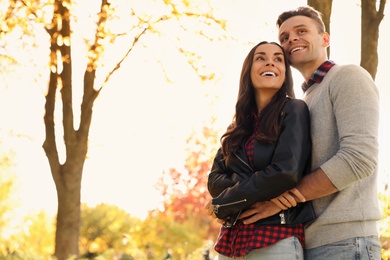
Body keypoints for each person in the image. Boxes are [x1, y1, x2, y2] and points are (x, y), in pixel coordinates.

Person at [239, 6, 382, 260]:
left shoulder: (348, 76)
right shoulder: (304, 99)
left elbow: (358, 158)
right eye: (284, 37)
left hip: (347, 241)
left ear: (325, 39)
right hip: (310, 242)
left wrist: (281, 201)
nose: (291, 39)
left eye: (301, 31)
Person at [206, 41, 315, 259]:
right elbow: (214, 181)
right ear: (249, 70)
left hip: (275, 238)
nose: (270, 63)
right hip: (231, 241)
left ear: (285, 72)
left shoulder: (293, 109)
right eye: (261, 57)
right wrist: (257, 187)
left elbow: (285, 172)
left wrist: (225, 203)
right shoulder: (235, 128)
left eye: (278, 59)